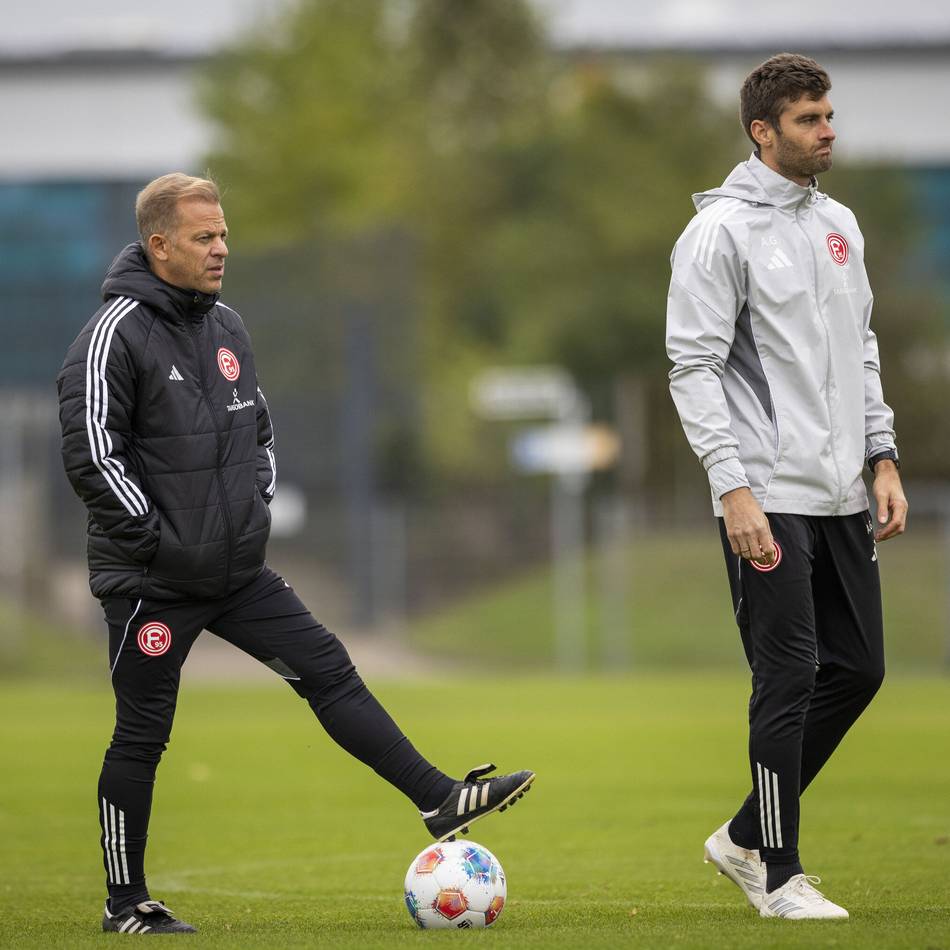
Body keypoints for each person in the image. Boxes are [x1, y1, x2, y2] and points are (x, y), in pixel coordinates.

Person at [57, 173, 534, 936]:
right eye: (204, 237)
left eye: (224, 235)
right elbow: (91, 456)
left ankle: (437, 797)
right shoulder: (113, 335)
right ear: (159, 245)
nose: (221, 249)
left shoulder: (227, 329)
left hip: (238, 572)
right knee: (141, 736)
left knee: (329, 670)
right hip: (153, 582)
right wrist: (159, 540)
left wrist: (251, 515)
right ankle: (127, 905)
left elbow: (261, 433)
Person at [666, 53, 907, 920]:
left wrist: (881, 457)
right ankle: (775, 872)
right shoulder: (718, 234)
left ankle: (740, 834)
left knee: (861, 669)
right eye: (808, 119)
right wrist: (731, 490)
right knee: (788, 676)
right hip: (766, 494)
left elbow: (863, 348)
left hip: (843, 490)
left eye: (829, 115)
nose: (828, 130)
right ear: (763, 132)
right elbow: (691, 366)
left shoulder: (840, 223)